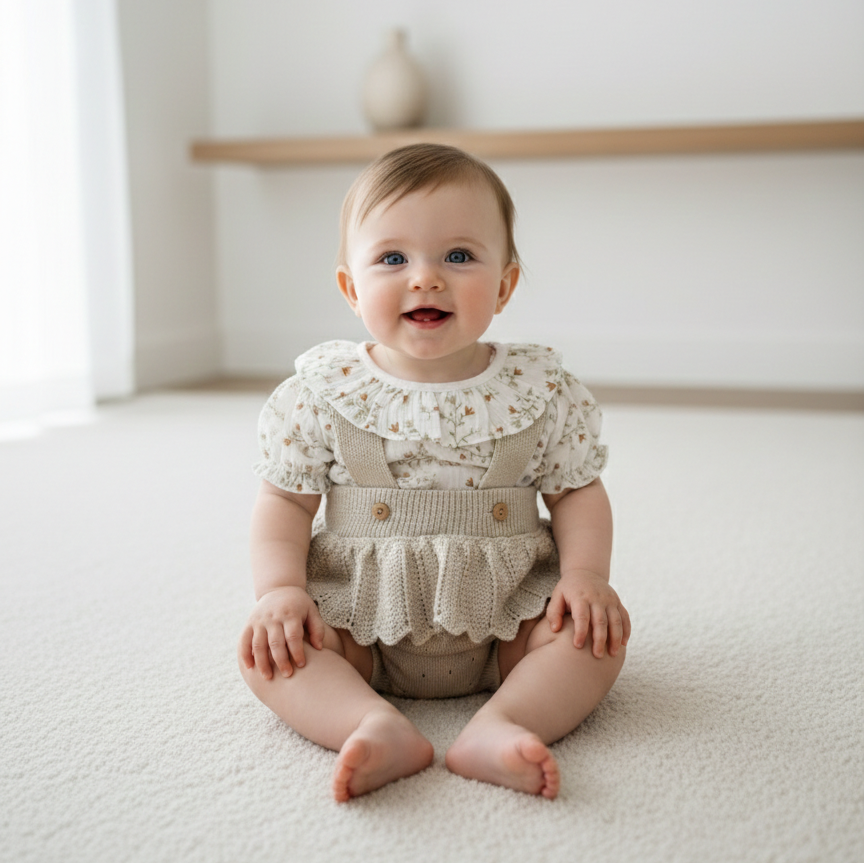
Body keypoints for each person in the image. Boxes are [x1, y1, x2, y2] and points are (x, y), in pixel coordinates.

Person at [238, 143, 630, 802]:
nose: (425, 278)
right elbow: (283, 498)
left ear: (504, 285)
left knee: (597, 641)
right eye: (393, 258)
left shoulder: (539, 389)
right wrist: (280, 590)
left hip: (510, 614)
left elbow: (578, 492)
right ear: (350, 286)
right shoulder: (322, 392)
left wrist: (586, 578)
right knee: (268, 656)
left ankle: (505, 722)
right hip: (359, 616)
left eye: (458, 255)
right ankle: (370, 720)